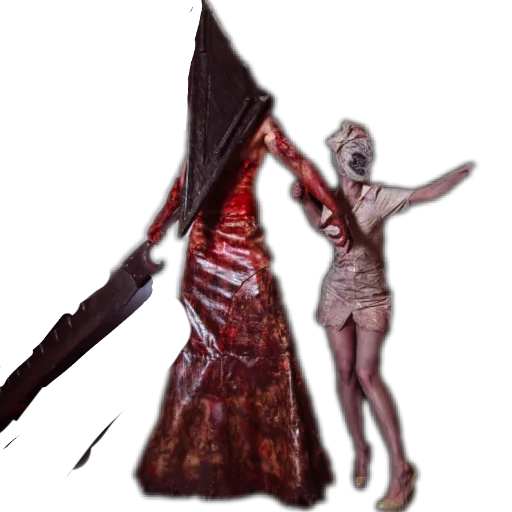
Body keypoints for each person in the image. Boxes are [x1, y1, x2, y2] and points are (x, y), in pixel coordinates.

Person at [134, 112, 352, 509]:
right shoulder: (225, 120)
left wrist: (333, 206)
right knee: (218, 352)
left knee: (251, 352)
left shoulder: (248, 118)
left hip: (235, 254)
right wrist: (157, 229)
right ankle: (211, 464)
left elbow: (298, 163)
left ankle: (258, 466)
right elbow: (186, 184)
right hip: (208, 256)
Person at [291, 121, 474, 511]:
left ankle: (402, 469)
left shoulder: (380, 197)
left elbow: (427, 193)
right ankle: (362, 451)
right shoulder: (329, 196)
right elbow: (322, 228)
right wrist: (306, 202)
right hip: (338, 292)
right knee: (344, 372)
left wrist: (465, 170)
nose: (354, 163)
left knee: (366, 373)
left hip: (372, 297)